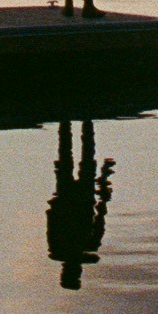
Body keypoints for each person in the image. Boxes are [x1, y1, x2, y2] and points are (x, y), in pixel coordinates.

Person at [45, 117, 114, 288]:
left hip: (74, 200)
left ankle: (75, 121)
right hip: (77, 200)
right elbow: (100, 220)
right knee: (71, 158)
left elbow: (100, 219)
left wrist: (53, 209)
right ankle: (77, 121)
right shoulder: (75, 248)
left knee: (78, 158)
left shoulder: (78, 247)